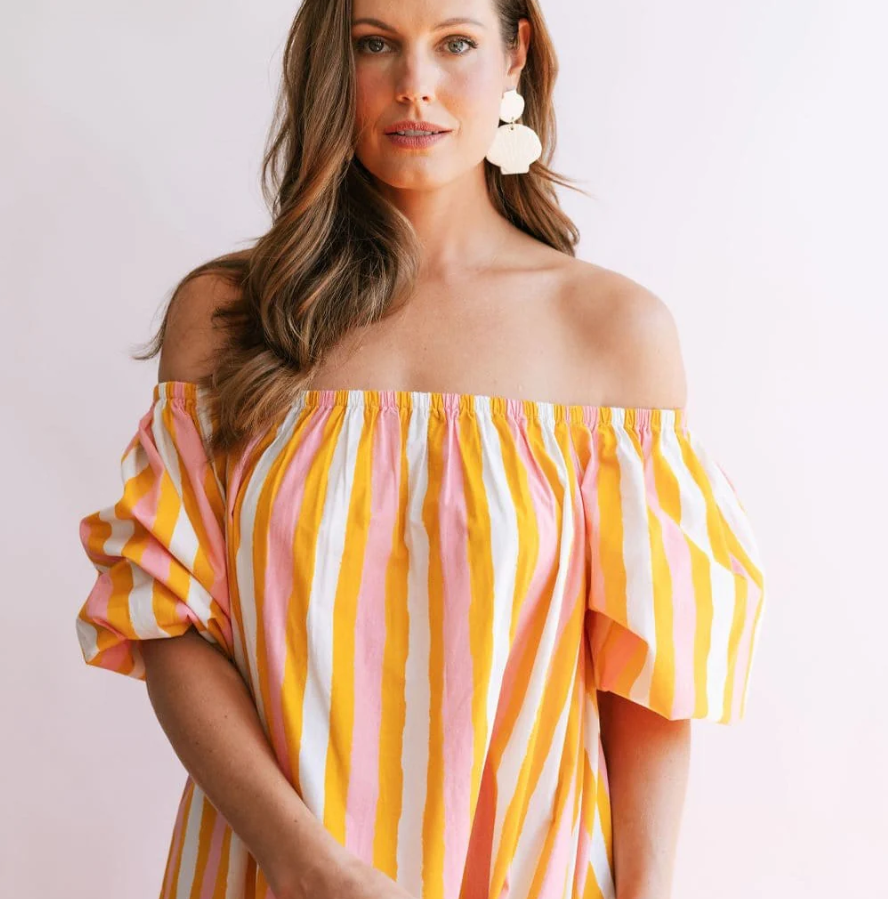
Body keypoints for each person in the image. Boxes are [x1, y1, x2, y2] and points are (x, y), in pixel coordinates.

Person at [74, 2, 767, 898]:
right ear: (333, 66)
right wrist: (304, 861)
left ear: (515, 55)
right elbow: (167, 616)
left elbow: (645, 680)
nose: (414, 86)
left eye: (455, 43)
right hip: (268, 872)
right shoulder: (229, 316)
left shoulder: (611, 333)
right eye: (375, 45)